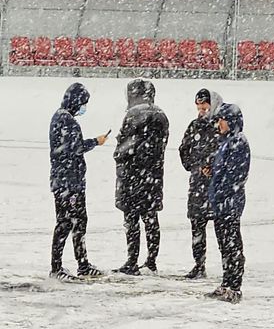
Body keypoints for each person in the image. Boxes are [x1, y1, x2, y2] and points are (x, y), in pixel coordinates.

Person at [48, 83, 108, 279]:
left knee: (76, 222)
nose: (84, 107)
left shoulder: (60, 117)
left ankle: (81, 263)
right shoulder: (67, 121)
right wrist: (95, 142)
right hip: (68, 182)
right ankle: (58, 267)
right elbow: (76, 148)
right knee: (68, 222)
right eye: (83, 103)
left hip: (68, 180)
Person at [114, 78, 170, 275]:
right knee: (151, 218)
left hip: (132, 177)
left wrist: (120, 154)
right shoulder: (161, 115)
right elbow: (161, 145)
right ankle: (151, 260)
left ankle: (132, 260)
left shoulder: (133, 115)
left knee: (132, 220)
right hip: (153, 177)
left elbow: (123, 148)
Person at [206, 103, 250, 304]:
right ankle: (227, 282)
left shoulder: (237, 142)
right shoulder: (226, 141)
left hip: (229, 202)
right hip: (221, 202)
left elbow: (234, 174)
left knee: (232, 245)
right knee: (224, 245)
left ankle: (234, 286)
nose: (218, 124)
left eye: (221, 120)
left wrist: (221, 189)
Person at [177, 88, 223, 280]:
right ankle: (199, 264)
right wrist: (195, 167)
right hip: (197, 185)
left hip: (217, 186)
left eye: (204, 107)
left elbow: (225, 150)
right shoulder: (194, 125)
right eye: (199, 107)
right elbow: (183, 148)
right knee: (197, 225)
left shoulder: (222, 124)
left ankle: (228, 264)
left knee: (222, 228)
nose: (201, 111)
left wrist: (211, 165)